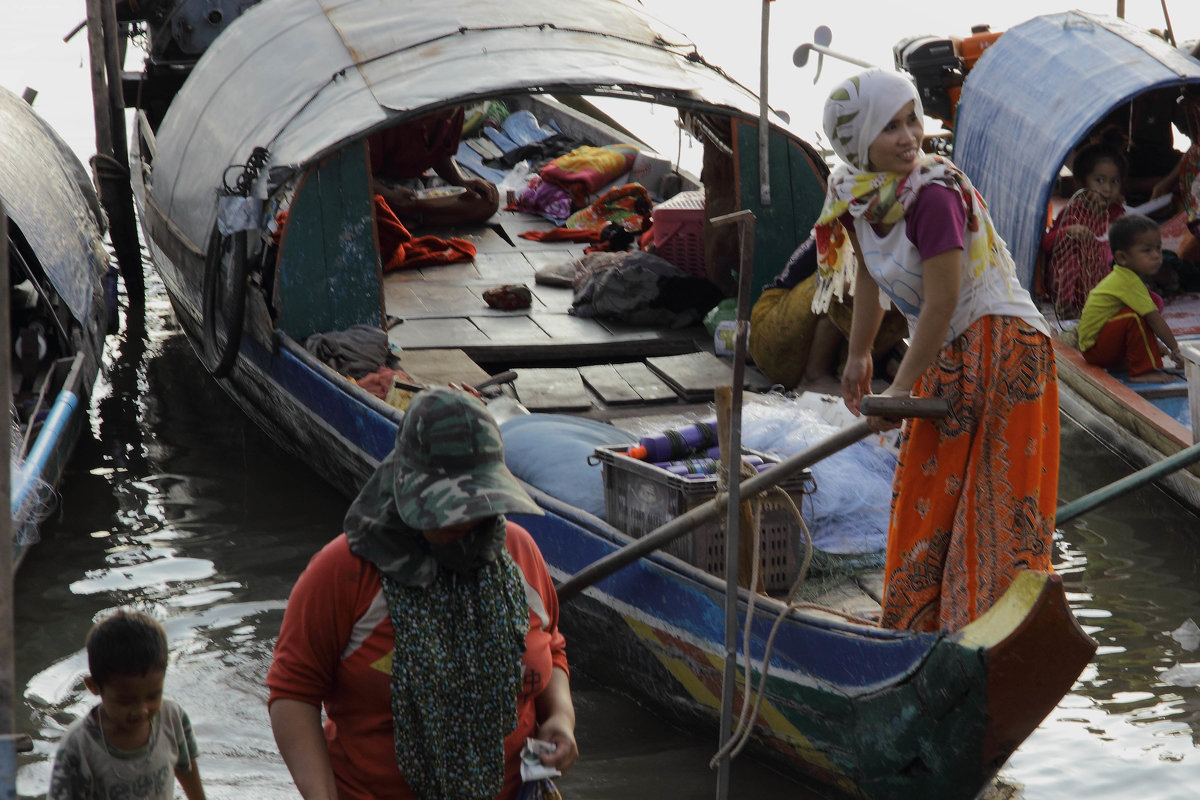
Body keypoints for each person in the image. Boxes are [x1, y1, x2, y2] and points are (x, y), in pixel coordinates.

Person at [812, 69, 1059, 632]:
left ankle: (990, 634)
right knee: (928, 491)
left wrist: (899, 390)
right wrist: (858, 357)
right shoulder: (853, 191)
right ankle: (918, 627)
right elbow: (872, 278)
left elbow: (944, 300)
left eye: (912, 120)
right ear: (856, 146)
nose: (909, 137)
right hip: (947, 351)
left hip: (1003, 349)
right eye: (890, 127)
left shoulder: (933, 195)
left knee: (995, 509)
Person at [266, 387, 577, 800]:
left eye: (476, 506)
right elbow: (293, 693)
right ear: (405, 488)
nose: (465, 522)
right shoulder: (343, 572)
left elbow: (551, 648)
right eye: (448, 510)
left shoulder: (518, 554)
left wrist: (561, 716)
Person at [48, 611, 206, 800]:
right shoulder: (79, 746)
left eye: (153, 696)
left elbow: (186, 767)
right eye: (125, 701)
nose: (141, 710)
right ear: (94, 686)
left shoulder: (172, 718)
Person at [748, 235, 906, 393]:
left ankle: (850, 374)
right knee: (843, 285)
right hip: (772, 334)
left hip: (797, 357)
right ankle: (814, 378)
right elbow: (840, 287)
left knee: (903, 295)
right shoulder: (854, 226)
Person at [1077, 214, 1181, 383]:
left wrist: (1156, 346)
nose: (1156, 255)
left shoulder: (1126, 276)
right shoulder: (1127, 281)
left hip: (1101, 346)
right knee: (1135, 317)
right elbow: (1155, 320)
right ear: (1122, 258)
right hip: (1094, 350)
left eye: (1158, 248)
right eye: (1147, 250)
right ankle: (1141, 372)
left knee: (1141, 311)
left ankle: (1130, 362)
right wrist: (1176, 350)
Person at [369, 106, 501, 226]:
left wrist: (461, 181)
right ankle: (402, 216)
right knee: (372, 205)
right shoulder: (388, 113)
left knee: (486, 201)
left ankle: (410, 218)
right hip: (378, 186)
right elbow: (357, 177)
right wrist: (391, 196)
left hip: (413, 187)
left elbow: (441, 153)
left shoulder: (455, 107)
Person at [1041, 143, 1128, 318]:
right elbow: (1047, 243)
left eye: (1114, 181)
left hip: (1103, 278)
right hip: (1076, 283)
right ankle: (1066, 307)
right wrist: (1068, 231)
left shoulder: (1117, 213)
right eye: (1100, 180)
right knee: (1069, 259)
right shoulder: (1074, 211)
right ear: (1081, 182)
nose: (1107, 189)